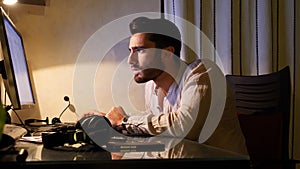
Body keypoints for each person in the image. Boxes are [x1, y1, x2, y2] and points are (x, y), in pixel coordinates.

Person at [86, 16, 248, 155]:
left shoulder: (203, 73)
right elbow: (158, 129)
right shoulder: (151, 86)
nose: (130, 60)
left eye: (139, 50)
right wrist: (111, 124)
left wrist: (125, 121)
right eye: (130, 51)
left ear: (167, 53)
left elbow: (183, 128)